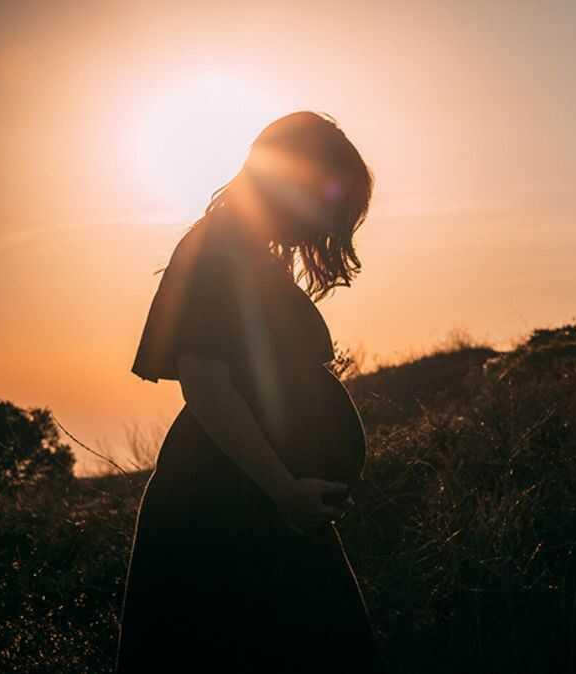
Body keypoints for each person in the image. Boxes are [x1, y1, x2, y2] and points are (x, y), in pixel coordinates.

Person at [116, 111, 387, 673]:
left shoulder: (248, 254)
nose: (327, 219)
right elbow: (208, 386)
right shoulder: (217, 250)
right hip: (225, 505)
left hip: (264, 502)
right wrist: (282, 489)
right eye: (325, 198)